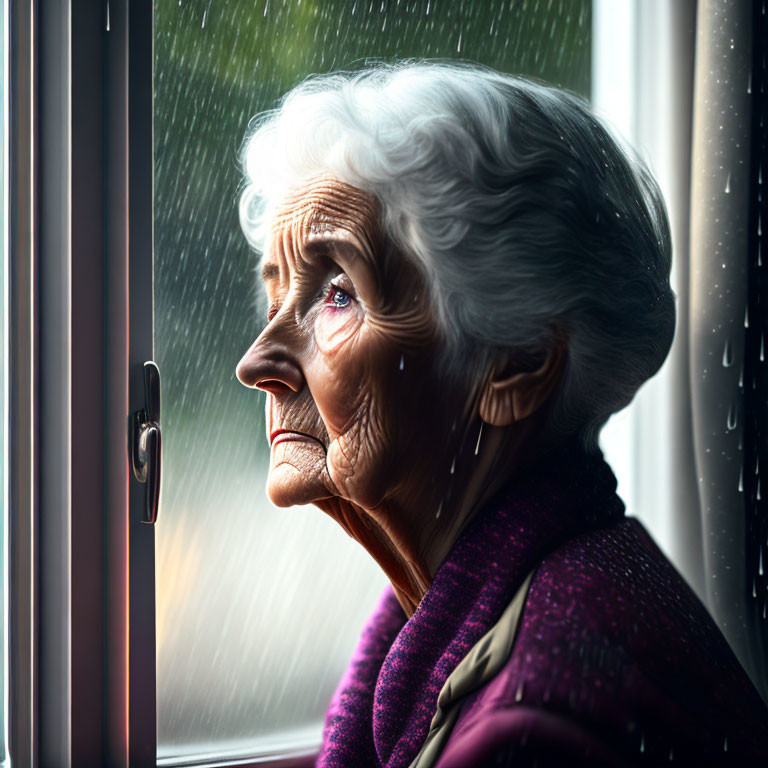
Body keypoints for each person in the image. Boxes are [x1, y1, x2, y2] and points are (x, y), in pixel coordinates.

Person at [235, 62, 768, 767]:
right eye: (277, 299)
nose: (257, 361)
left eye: (337, 293)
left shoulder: (536, 728)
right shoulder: (501, 603)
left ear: (515, 363)